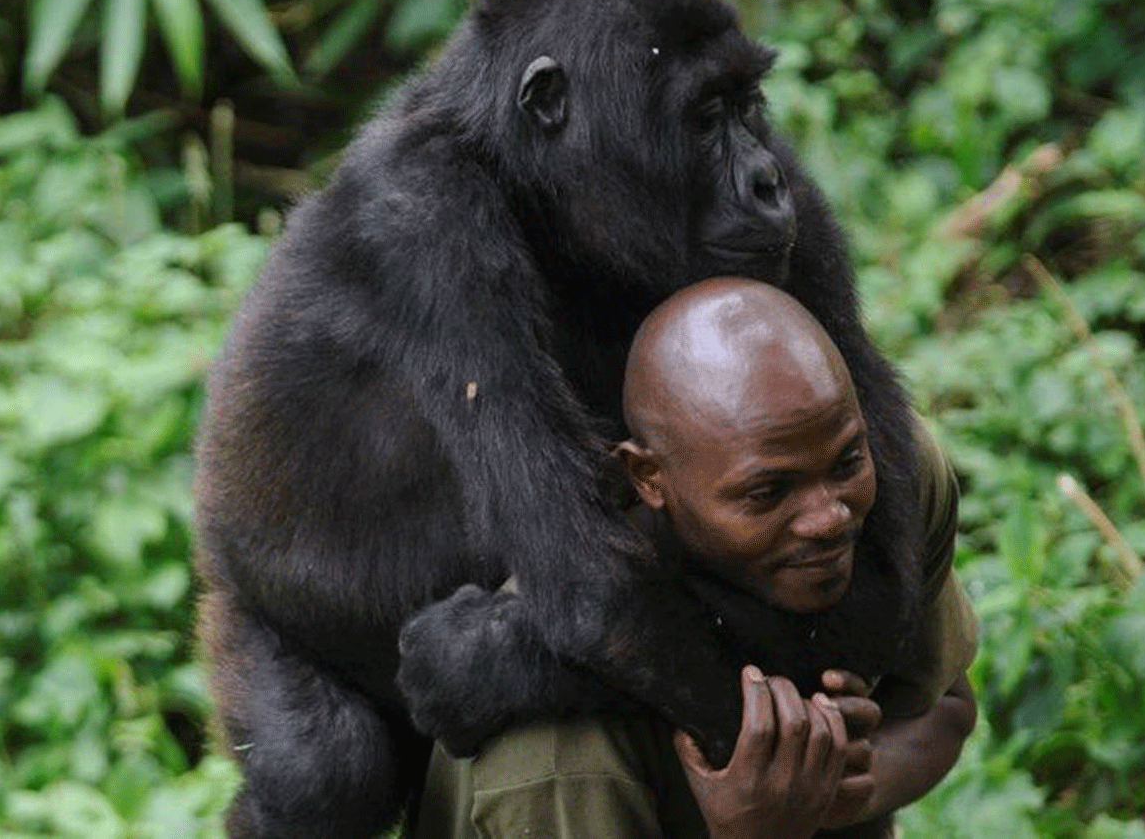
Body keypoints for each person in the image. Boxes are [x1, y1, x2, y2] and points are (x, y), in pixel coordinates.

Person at [413, 276, 978, 839]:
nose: (829, 517)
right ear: (650, 480)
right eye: (767, 493)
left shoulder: (894, 482)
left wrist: (834, 781)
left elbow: (946, 707)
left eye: (846, 462)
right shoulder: (559, 752)